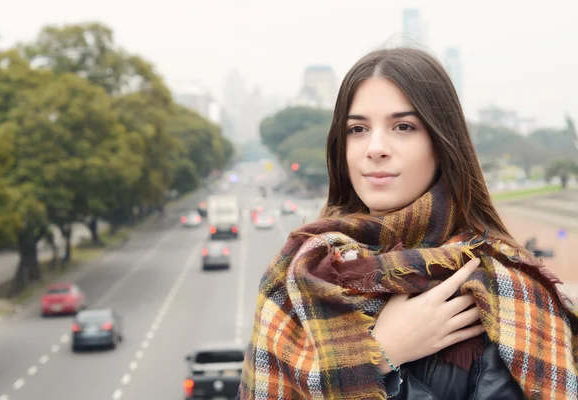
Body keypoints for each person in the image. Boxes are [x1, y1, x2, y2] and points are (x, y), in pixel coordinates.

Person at [237, 47, 578, 399]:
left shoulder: (500, 287)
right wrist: (379, 355)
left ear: (441, 142)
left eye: (403, 126)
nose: (376, 147)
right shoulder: (297, 274)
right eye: (358, 128)